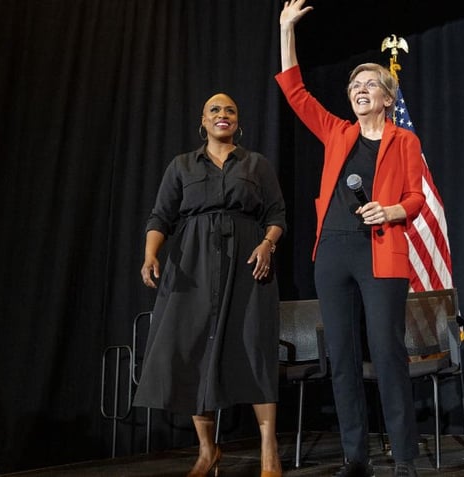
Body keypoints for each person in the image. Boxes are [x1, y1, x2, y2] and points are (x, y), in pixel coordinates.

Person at [276, 2, 426, 476]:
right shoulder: (337, 132)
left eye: (369, 85)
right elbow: (295, 91)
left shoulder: (404, 141)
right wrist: (286, 31)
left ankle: (403, 459)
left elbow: (417, 198)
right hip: (333, 252)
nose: (360, 90)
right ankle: (355, 457)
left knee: (386, 354)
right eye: (354, 85)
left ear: (387, 97)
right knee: (341, 358)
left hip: (381, 253)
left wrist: (392, 209)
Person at [136, 93, 286, 477]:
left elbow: (277, 215)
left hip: (249, 267)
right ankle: (207, 450)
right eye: (215, 110)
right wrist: (151, 255)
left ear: (239, 121)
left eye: (230, 110)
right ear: (202, 122)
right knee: (193, 353)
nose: (223, 115)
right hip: (192, 264)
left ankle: (270, 453)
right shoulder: (182, 165)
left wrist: (267, 245)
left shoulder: (256, 164)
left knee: (255, 350)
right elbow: (160, 216)